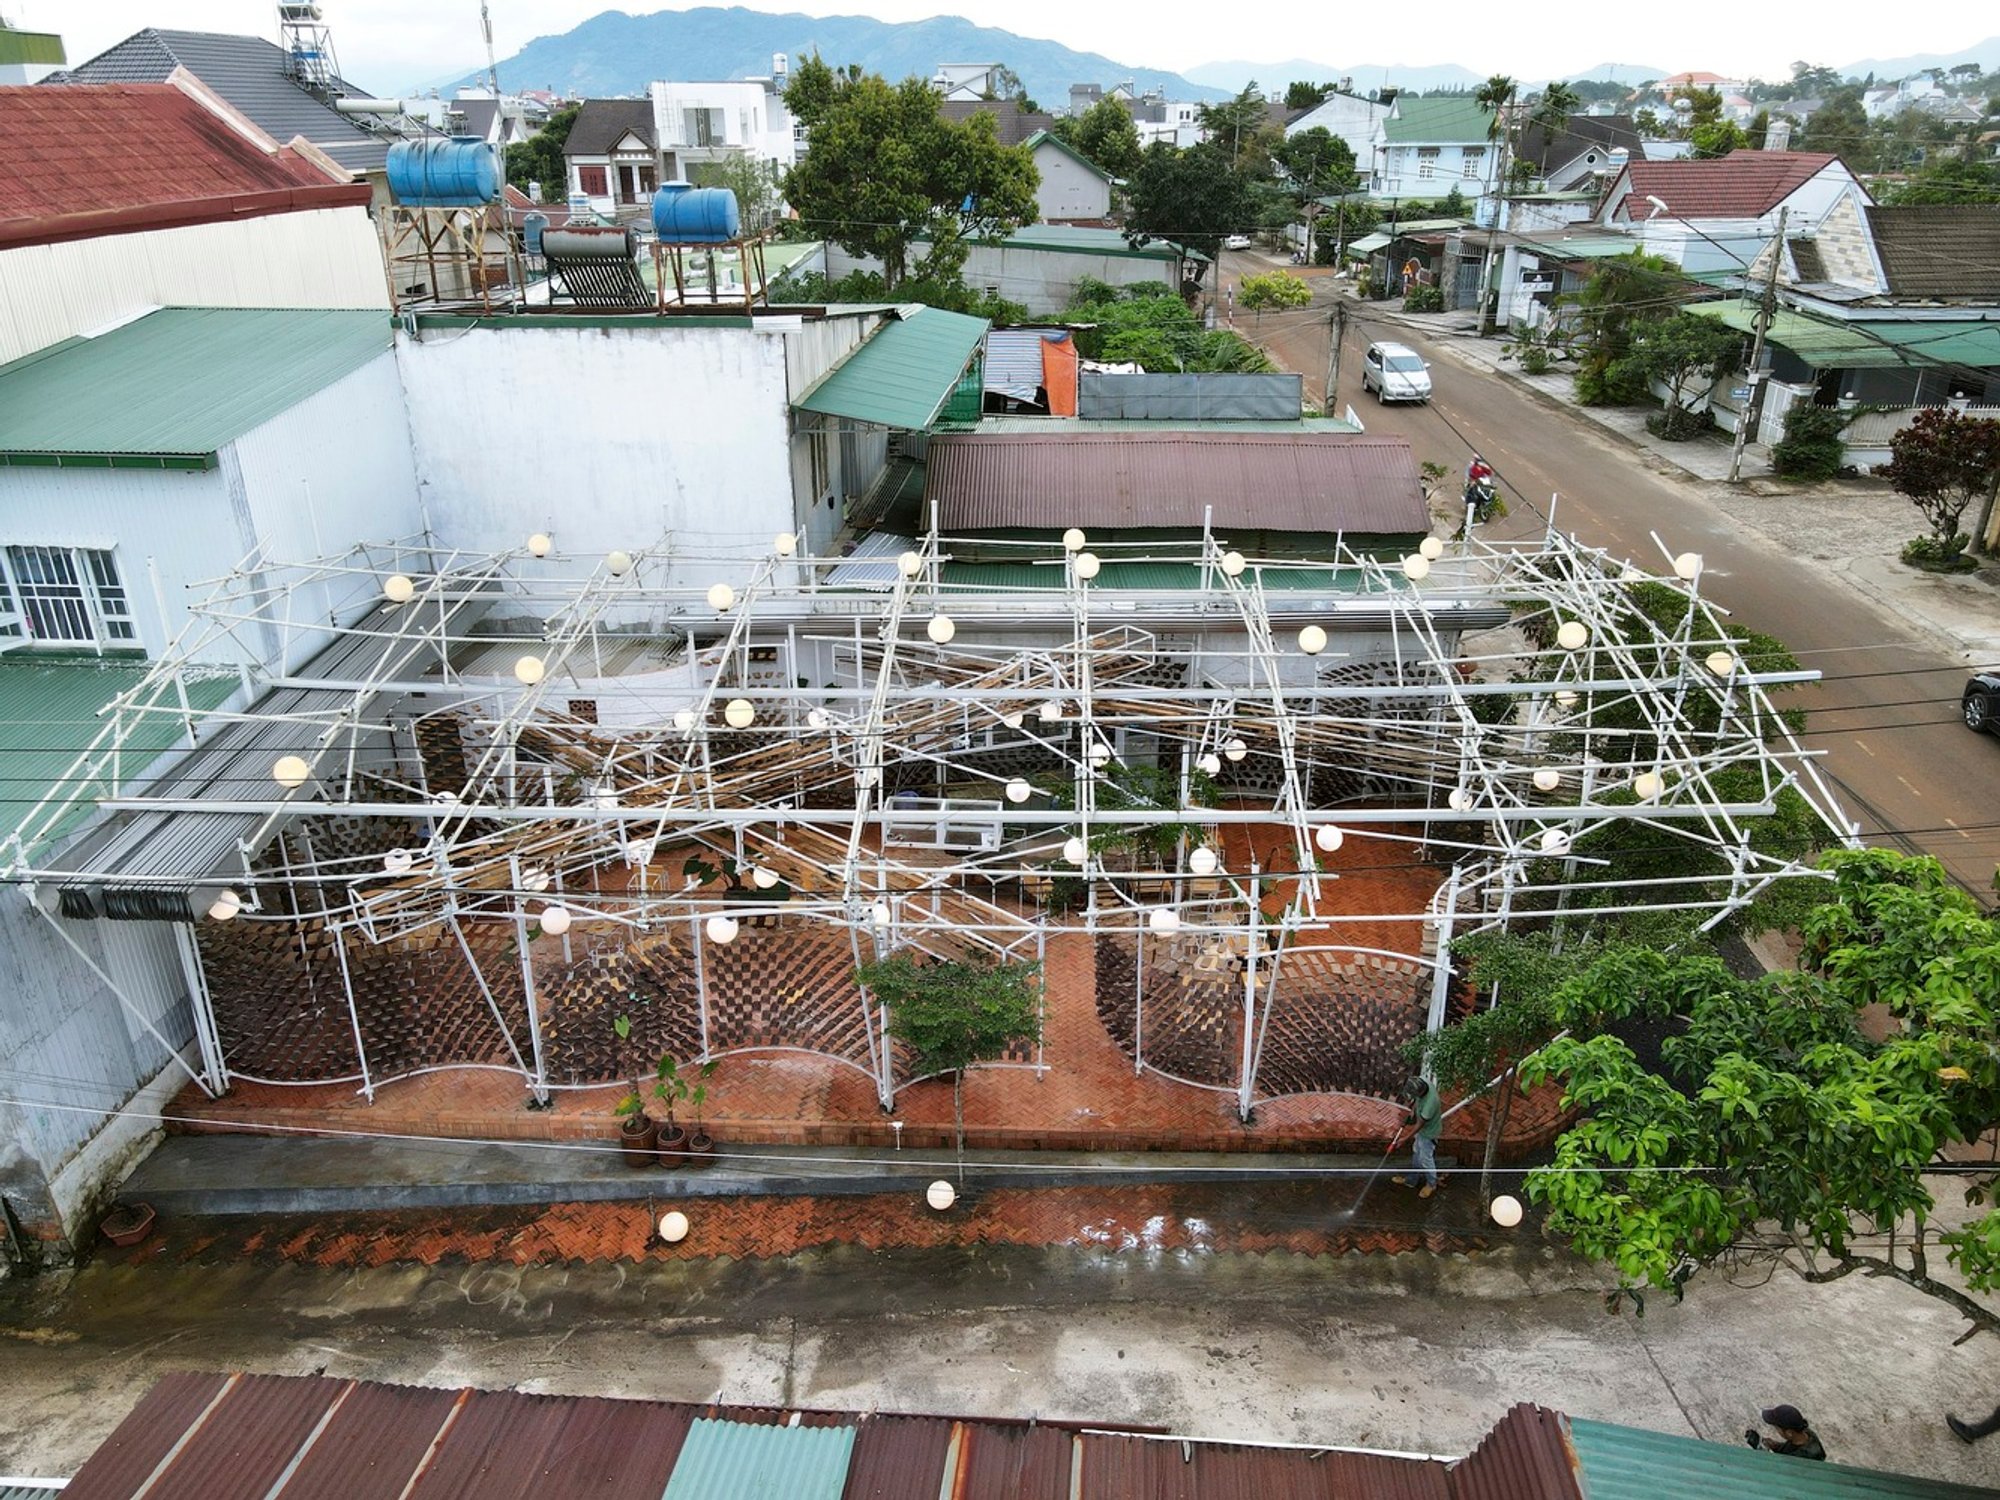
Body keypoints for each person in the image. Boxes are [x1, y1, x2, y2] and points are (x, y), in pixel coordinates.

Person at [1390, 1076, 1442, 1198]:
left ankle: (1431, 1184)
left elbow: (1419, 1125)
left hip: (1428, 1133)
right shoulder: (1423, 1082)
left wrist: (1404, 1139)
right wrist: (1412, 1112)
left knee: (1426, 1159)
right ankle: (1411, 1180)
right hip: (1422, 1130)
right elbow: (1416, 1100)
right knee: (1416, 1154)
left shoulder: (1430, 1104)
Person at [1744, 1404, 1826, 1461]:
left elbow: (1779, 1469)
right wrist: (1776, 1446)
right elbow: (1791, 1448)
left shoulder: (1800, 1459)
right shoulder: (1806, 1433)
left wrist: (1761, 1450)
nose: (1776, 1430)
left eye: (1777, 1428)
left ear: (1789, 1433)